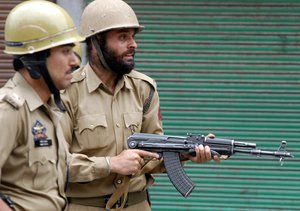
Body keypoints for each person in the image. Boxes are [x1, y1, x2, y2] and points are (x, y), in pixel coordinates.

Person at [61, 0, 220, 210]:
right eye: (122, 37)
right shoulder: (66, 92)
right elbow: (53, 164)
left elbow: (154, 154)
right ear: (97, 41)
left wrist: (185, 153)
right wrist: (109, 165)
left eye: (133, 37)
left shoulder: (144, 89)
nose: (133, 44)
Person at [0, 1, 85, 210]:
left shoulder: (49, 109)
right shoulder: (10, 110)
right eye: (65, 51)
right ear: (35, 58)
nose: (75, 61)